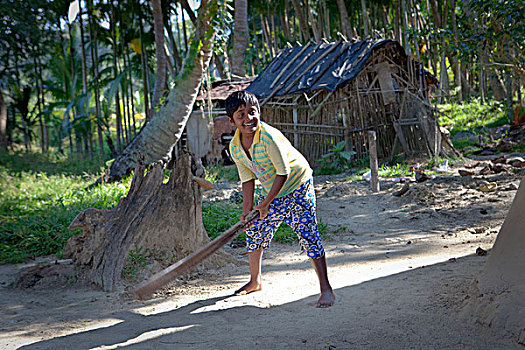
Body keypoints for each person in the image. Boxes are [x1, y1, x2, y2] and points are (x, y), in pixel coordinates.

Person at [225, 90, 335, 308]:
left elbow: (282, 173)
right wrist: (248, 211)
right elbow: (247, 179)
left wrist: (265, 203)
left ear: (259, 112)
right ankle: (255, 281)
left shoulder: (268, 137)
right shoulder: (235, 147)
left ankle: (326, 288)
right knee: (254, 229)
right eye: (241, 115)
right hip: (273, 191)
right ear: (231, 121)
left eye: (252, 112)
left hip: (297, 186)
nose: (248, 118)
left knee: (308, 233)